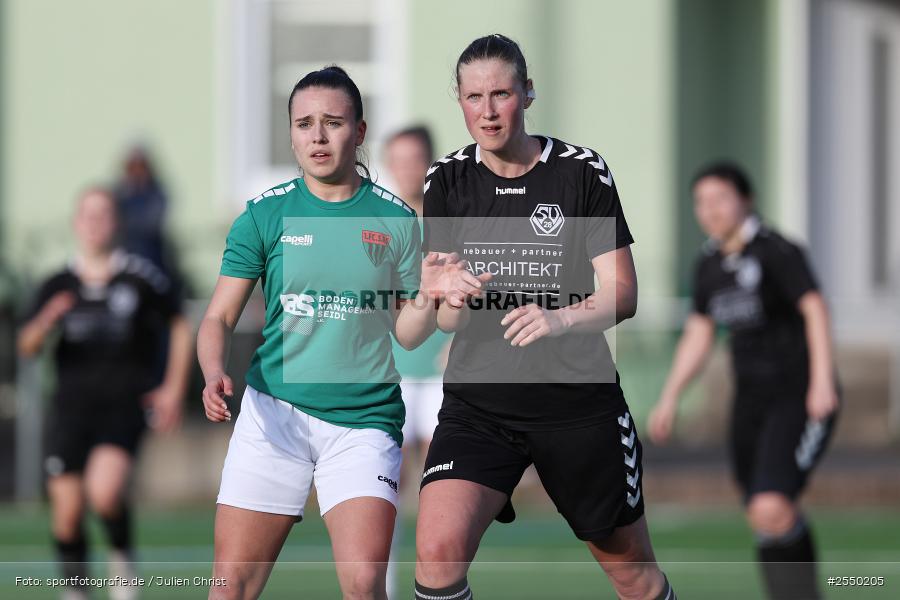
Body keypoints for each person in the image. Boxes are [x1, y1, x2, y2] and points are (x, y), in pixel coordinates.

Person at [198, 66, 485, 600]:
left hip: (362, 423)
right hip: (272, 418)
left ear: (359, 131)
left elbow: (409, 333)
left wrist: (430, 295)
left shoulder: (397, 221)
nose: (318, 135)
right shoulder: (264, 215)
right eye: (304, 123)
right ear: (290, 133)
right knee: (229, 586)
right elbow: (217, 317)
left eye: (332, 122)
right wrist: (214, 372)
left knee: (362, 584)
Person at [415, 34, 676, 600]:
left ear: (527, 94)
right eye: (473, 96)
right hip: (479, 406)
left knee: (634, 577)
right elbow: (443, 321)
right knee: (437, 554)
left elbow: (623, 292)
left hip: (576, 405)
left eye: (501, 93)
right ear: (458, 100)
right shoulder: (446, 180)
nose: (487, 111)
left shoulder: (581, 173)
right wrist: (449, 300)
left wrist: (559, 320)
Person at [648, 162, 840, 600]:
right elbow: (699, 333)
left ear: (746, 199)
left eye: (719, 198)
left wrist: (823, 381)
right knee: (761, 512)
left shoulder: (777, 251)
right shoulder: (709, 263)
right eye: (701, 201)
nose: (709, 209)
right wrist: (670, 397)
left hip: (797, 393)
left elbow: (815, 309)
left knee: (771, 506)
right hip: (749, 401)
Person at [18, 187, 192, 600]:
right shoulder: (58, 283)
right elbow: (27, 345)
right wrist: (45, 321)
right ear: (76, 224)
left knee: (105, 492)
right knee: (67, 512)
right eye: (87, 215)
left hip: (123, 407)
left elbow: (180, 324)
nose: (95, 223)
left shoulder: (139, 276)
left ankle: (121, 558)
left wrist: (172, 389)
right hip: (69, 410)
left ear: (117, 222)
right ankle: (77, 591)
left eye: (104, 214)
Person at [382, 126, 451, 599]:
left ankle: (438, 584)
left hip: (444, 377)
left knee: (441, 490)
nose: (409, 169)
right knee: (384, 488)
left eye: (417, 159)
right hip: (393, 375)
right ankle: (379, 586)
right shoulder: (382, 226)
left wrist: (462, 337)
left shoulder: (454, 224)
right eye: (400, 160)